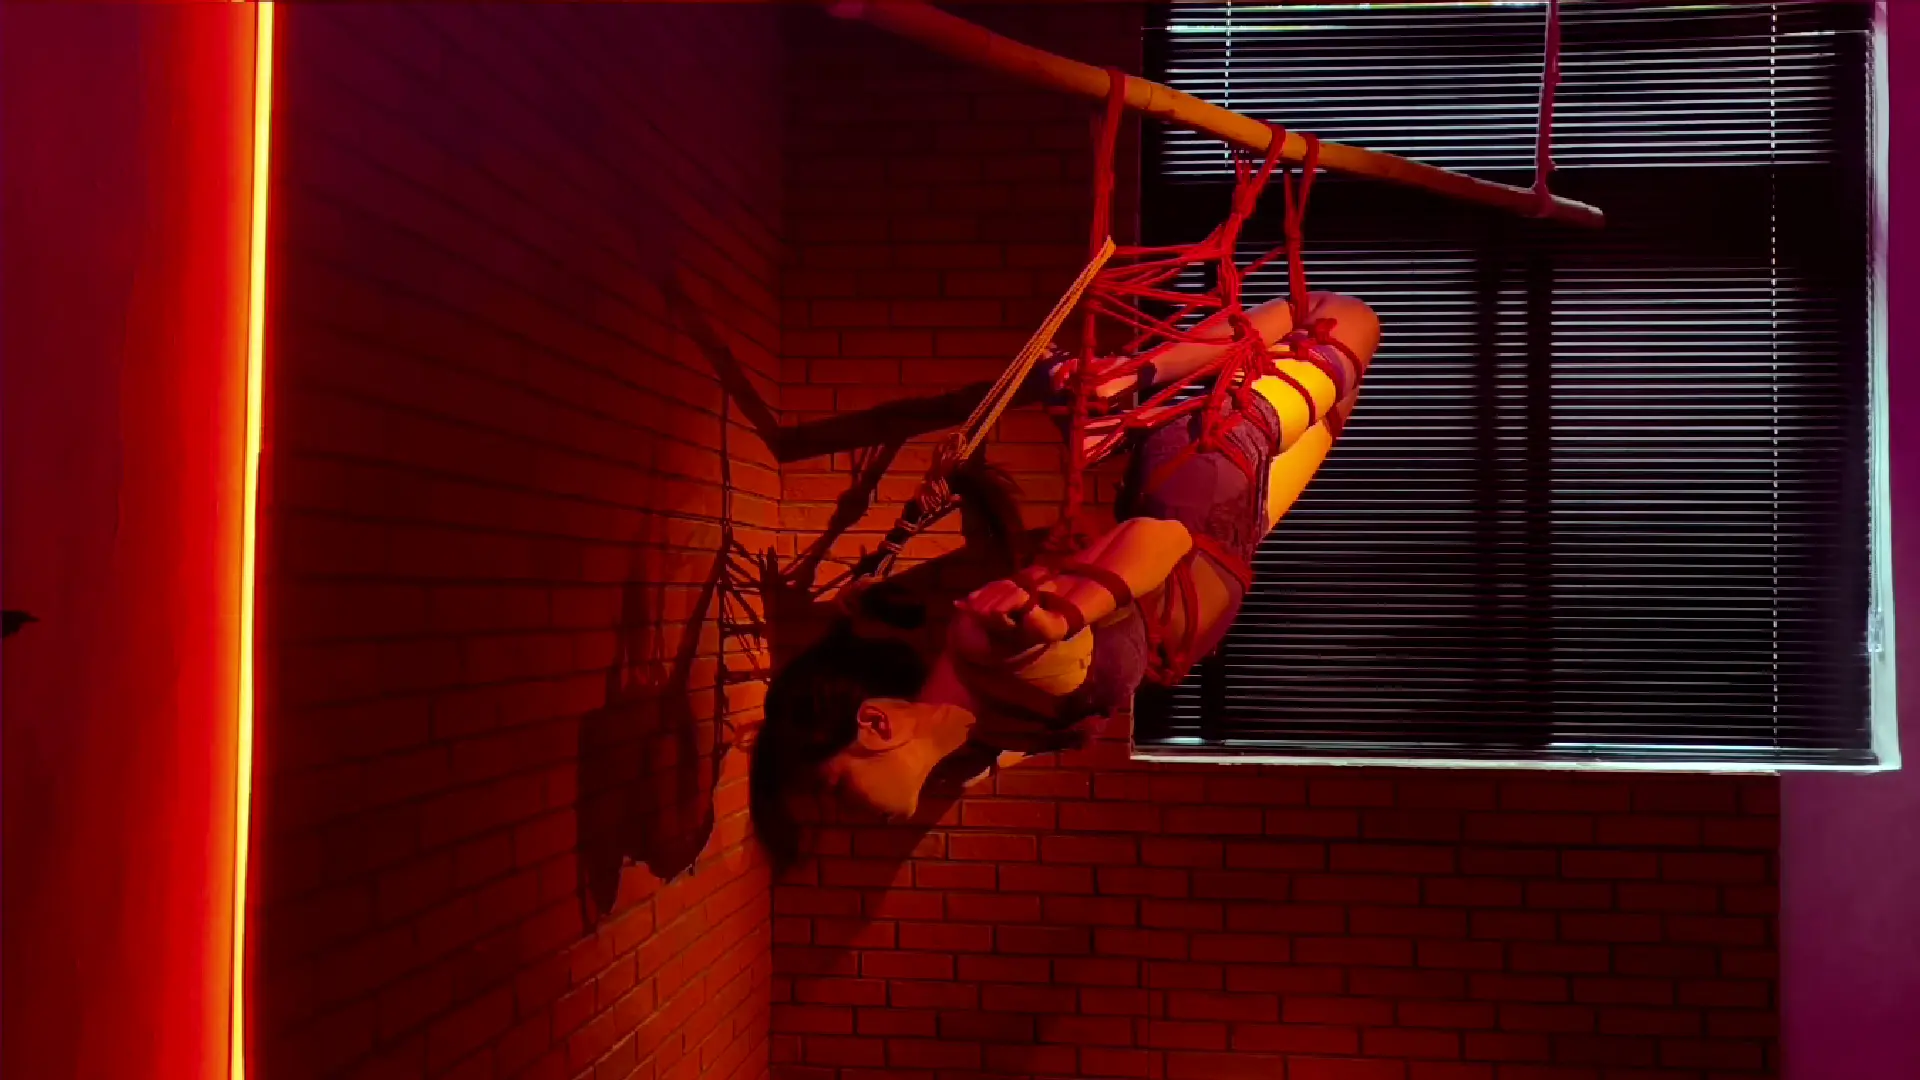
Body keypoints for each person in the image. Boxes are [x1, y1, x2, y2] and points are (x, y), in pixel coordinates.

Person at [751, 292, 1382, 866]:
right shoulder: (983, 738)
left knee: (1344, 318)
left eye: (835, 786)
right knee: (1338, 395)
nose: (843, 813)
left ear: (874, 725)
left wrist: (1066, 615)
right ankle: (1118, 396)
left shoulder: (990, 642)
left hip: (1206, 475)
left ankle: (1125, 379)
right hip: (1231, 543)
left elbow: (1161, 539)